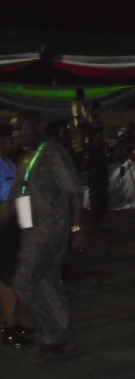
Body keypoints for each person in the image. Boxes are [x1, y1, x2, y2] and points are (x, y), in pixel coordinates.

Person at [0, 111, 85, 363]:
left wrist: (78, 230)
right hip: (32, 232)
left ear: (38, 128)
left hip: (51, 231)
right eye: (17, 131)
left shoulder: (54, 154)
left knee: (24, 281)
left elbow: (75, 193)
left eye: (23, 128)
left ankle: (52, 336)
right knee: (49, 285)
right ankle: (66, 339)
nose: (19, 135)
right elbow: (18, 199)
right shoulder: (25, 160)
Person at [0, 124, 34, 348]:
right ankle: (10, 329)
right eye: (10, 138)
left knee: (15, 276)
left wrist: (27, 226)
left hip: (15, 225)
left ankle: (14, 322)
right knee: (8, 278)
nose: (14, 142)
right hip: (4, 226)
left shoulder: (10, 164)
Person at [82, 129, 110, 232]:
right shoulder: (91, 149)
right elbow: (85, 164)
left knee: (104, 201)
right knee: (96, 201)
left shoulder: (102, 148)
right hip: (95, 178)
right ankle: (96, 223)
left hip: (102, 177)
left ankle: (101, 222)